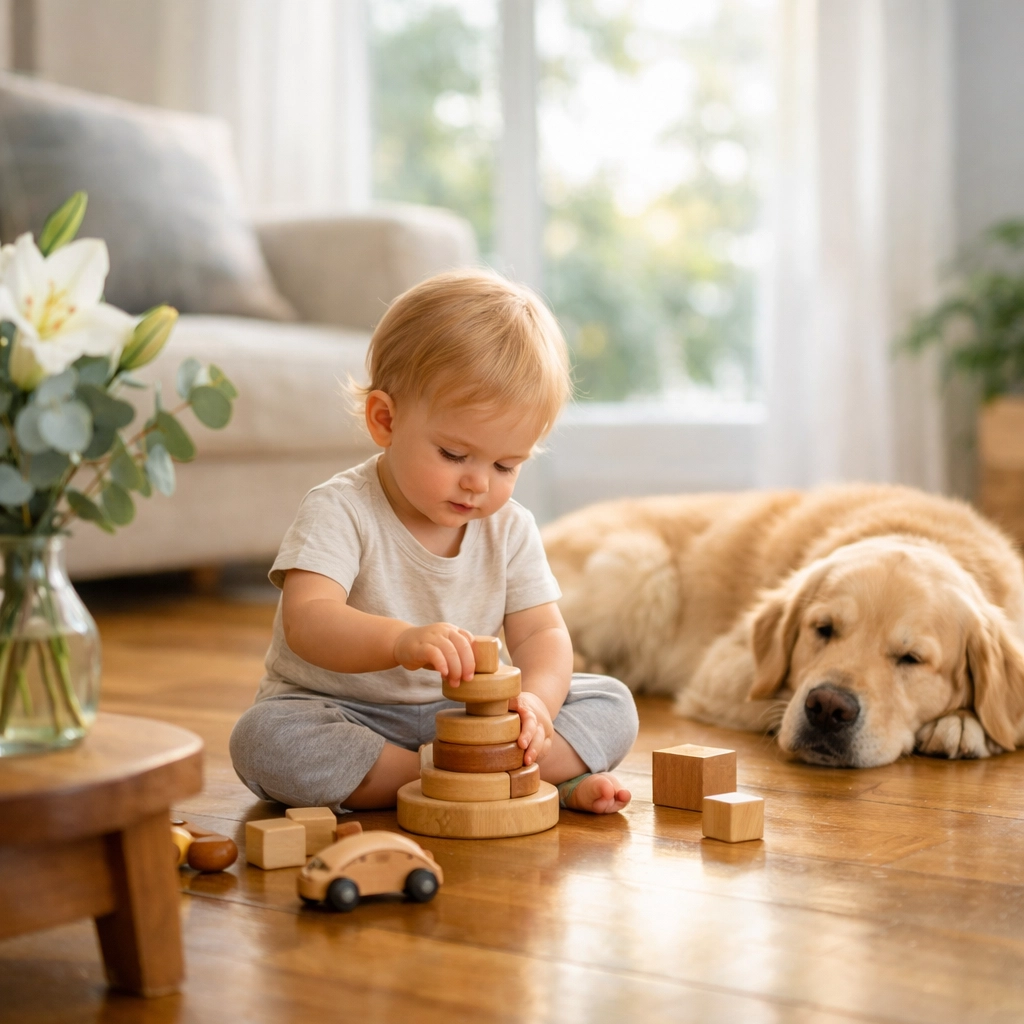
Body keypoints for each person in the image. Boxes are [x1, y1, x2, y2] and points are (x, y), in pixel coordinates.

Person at [230, 270, 638, 814]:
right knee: (264, 739)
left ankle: (484, 770)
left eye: (505, 464)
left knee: (612, 703)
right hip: (348, 712)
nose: (478, 482)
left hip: (473, 720)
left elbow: (542, 631)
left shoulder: (510, 527)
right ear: (385, 419)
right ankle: (499, 780)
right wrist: (400, 642)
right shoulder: (340, 508)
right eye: (453, 454)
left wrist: (537, 705)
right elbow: (308, 621)